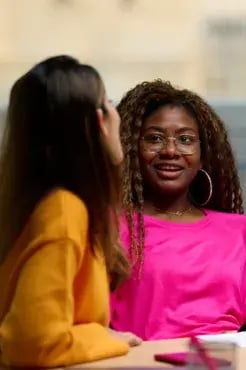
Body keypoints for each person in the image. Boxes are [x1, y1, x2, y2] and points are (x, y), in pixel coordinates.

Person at [0, 55, 141, 367]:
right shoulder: (64, 211)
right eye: (109, 102)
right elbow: (32, 344)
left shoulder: (38, 203)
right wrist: (103, 337)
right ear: (99, 122)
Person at [110, 80, 246, 340]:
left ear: (203, 154)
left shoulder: (241, 231)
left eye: (185, 139)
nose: (170, 150)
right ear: (133, 148)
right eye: (155, 138)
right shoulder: (112, 226)